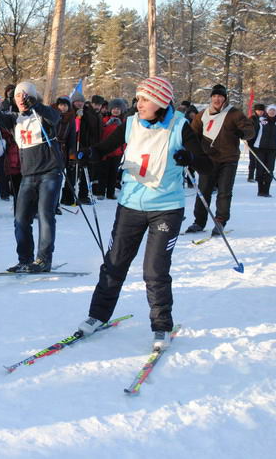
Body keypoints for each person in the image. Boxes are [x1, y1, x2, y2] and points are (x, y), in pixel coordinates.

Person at [75, 76, 213, 350]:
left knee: (155, 270)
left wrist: (190, 159)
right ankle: (97, 316)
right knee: (114, 264)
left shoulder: (179, 127)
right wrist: (89, 153)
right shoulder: (130, 124)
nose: (138, 104)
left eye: (144, 99)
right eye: (137, 98)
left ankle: (161, 325)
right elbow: (105, 148)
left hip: (166, 210)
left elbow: (207, 165)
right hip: (130, 207)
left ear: (160, 101)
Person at [0, 81, 63, 273]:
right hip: (28, 175)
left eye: (25, 95)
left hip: (50, 172)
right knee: (20, 219)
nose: (21, 99)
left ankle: (43, 260)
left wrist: (35, 105)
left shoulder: (43, 115)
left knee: (45, 215)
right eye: (18, 96)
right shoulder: (14, 119)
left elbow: (56, 117)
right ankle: (25, 259)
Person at [184, 84, 253, 236]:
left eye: (220, 96)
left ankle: (220, 220)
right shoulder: (202, 114)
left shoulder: (234, 114)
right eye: (214, 96)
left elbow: (249, 129)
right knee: (203, 192)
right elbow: (192, 134)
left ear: (225, 98)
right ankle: (199, 222)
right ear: (211, 98)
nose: (217, 99)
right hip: (208, 159)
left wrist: (243, 132)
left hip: (229, 159)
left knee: (224, 192)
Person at [95, 98, 127, 199]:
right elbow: (100, 134)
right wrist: (106, 125)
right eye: (114, 108)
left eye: (118, 109)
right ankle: (100, 192)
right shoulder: (105, 120)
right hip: (105, 151)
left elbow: (126, 137)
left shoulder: (124, 122)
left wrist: (121, 126)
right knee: (103, 172)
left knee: (113, 174)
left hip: (117, 151)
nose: (116, 110)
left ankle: (110, 192)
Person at [251, 104, 276, 197]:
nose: (272, 112)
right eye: (270, 110)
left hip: (272, 149)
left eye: (274, 111)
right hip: (260, 148)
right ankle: (260, 190)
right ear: (267, 111)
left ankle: (266, 191)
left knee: (270, 170)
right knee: (260, 170)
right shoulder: (261, 121)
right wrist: (249, 142)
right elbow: (254, 133)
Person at [248, 103, 266, 182]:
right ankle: (251, 176)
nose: (260, 112)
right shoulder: (252, 118)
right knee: (253, 160)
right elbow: (248, 129)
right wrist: (248, 139)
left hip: (262, 143)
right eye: (259, 110)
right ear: (255, 111)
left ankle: (259, 176)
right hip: (252, 142)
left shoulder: (265, 119)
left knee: (261, 160)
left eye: (262, 110)